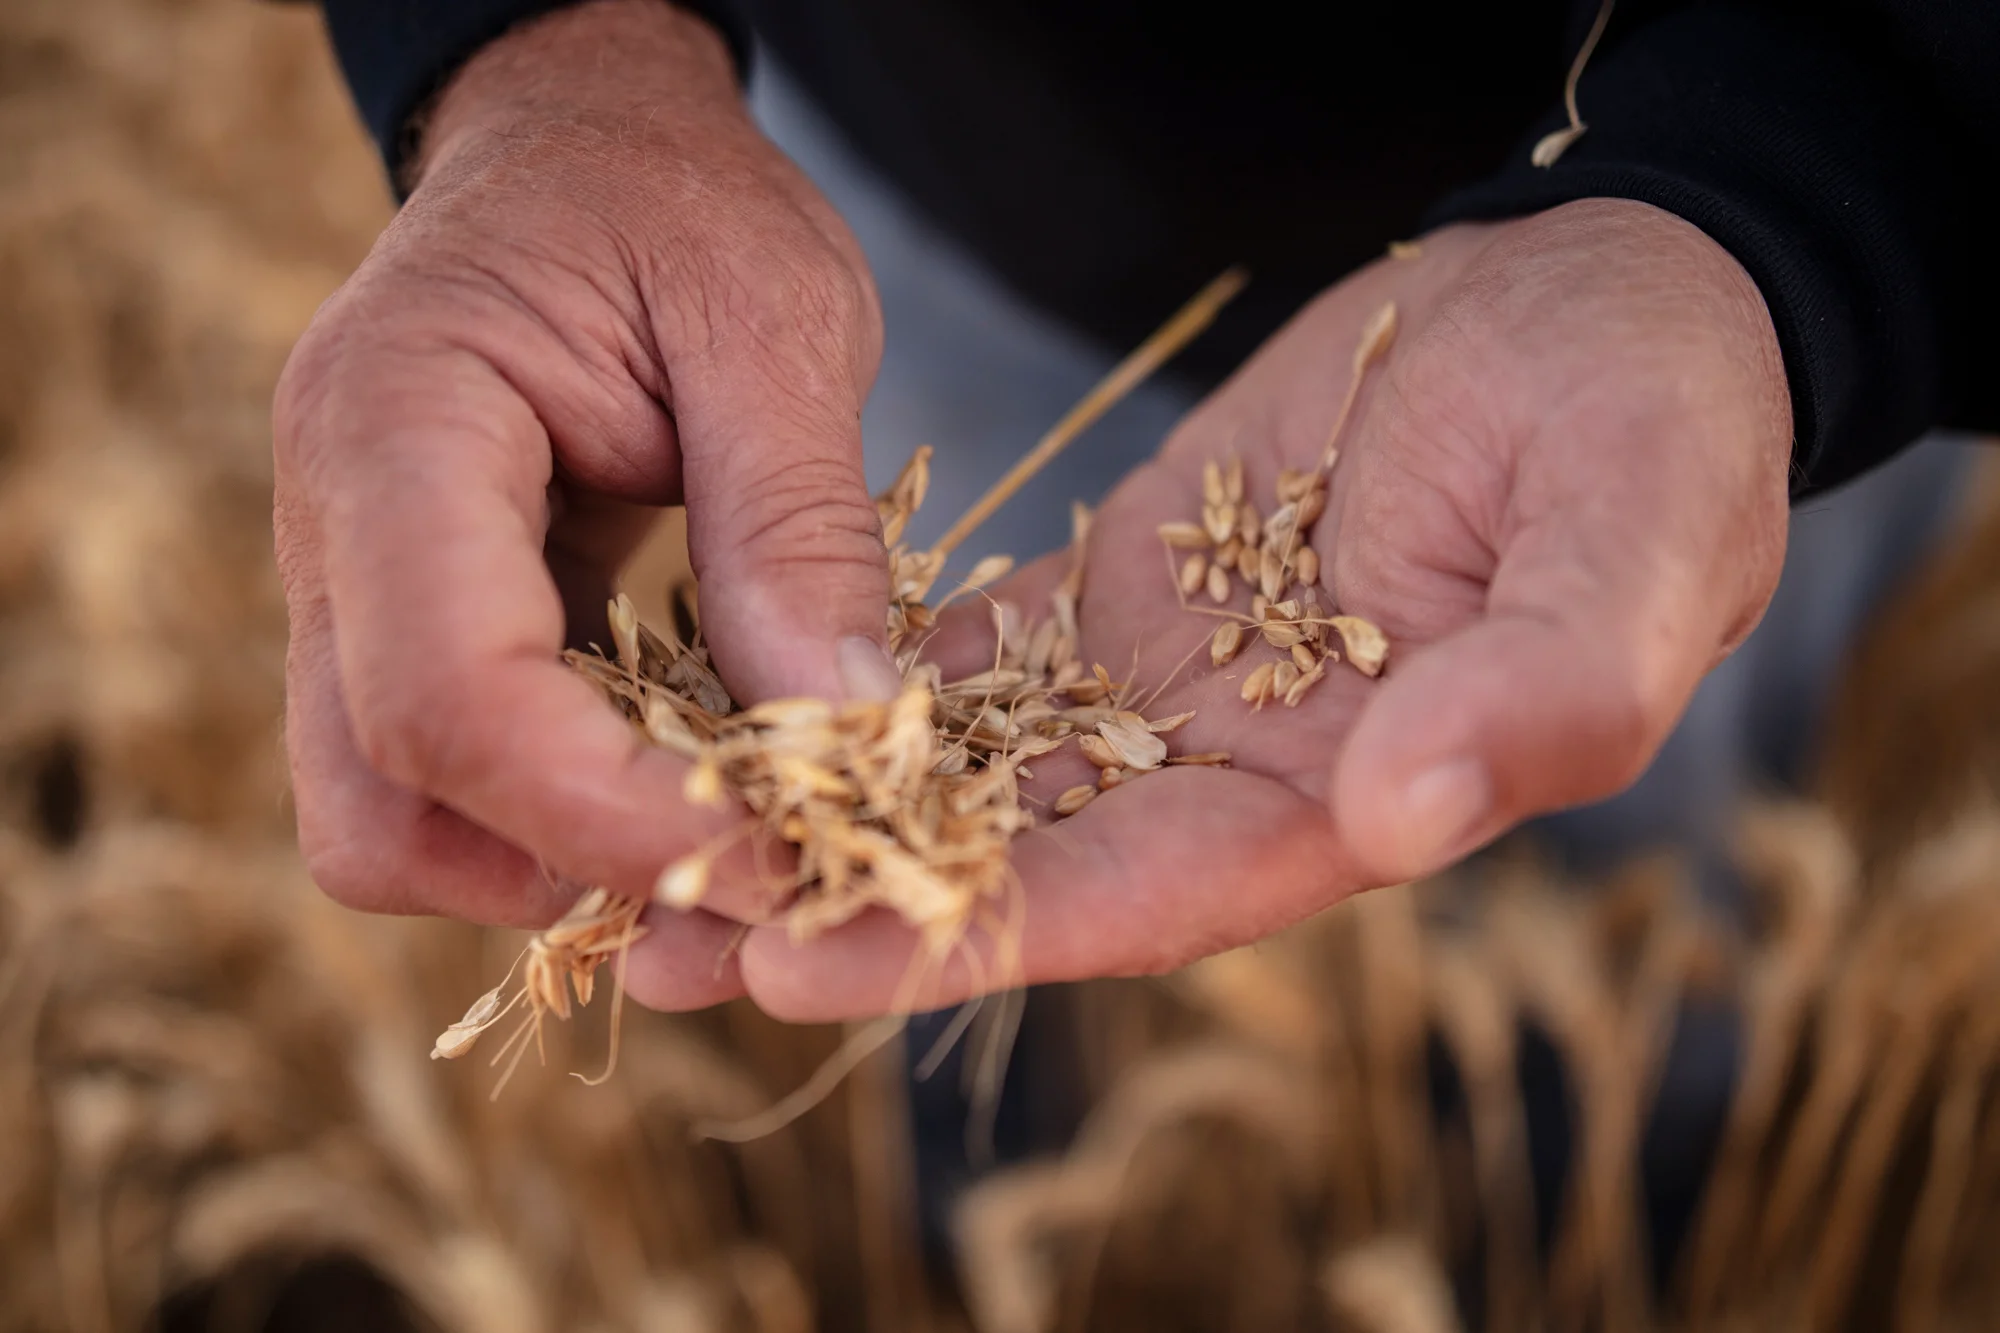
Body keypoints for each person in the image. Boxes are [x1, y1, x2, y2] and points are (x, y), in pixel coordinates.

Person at [279, 0, 1998, 1029]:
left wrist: (1814, 195)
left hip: (1758, 242)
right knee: (952, 935)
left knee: (1643, 858)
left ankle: (1637, 1159)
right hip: (918, 178)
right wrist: (546, 46)